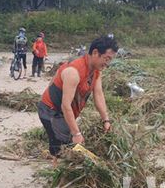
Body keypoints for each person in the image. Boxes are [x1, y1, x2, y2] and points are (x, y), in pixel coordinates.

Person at [37, 35, 118, 165]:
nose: (107, 64)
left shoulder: (96, 71)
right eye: (106, 59)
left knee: (68, 142)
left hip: (65, 112)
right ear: (95, 52)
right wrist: (76, 133)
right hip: (50, 110)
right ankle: (57, 174)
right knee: (65, 145)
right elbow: (66, 106)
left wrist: (106, 120)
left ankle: (58, 166)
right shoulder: (73, 72)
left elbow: (98, 95)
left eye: (110, 60)